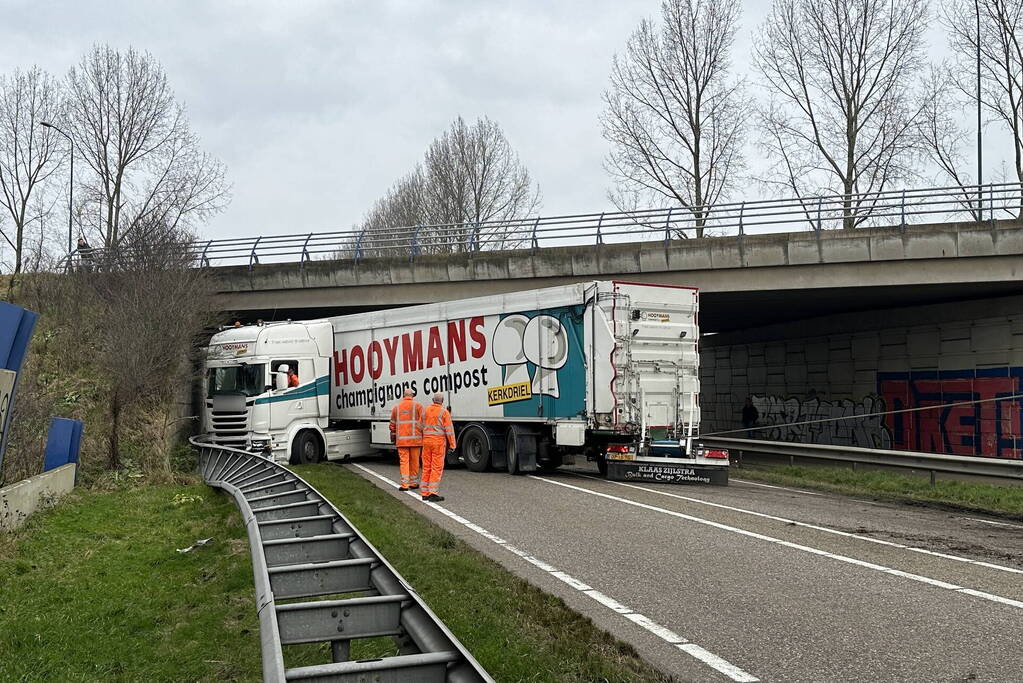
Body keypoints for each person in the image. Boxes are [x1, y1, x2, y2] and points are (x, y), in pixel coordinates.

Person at [420, 392, 455, 502]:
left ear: (432, 399)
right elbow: (449, 431)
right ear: (443, 401)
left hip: (426, 442)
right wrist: (453, 445)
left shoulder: (425, 411)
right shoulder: (444, 412)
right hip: (438, 444)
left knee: (426, 467)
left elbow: (420, 426)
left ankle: (424, 493)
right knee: (436, 468)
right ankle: (433, 493)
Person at [389, 388, 424, 491]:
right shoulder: (418, 406)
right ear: (412, 396)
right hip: (415, 440)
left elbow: (392, 424)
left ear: (403, 396)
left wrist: (393, 435)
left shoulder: (397, 407)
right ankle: (413, 483)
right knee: (415, 461)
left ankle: (405, 485)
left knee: (404, 462)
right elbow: (424, 422)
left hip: (402, 441)